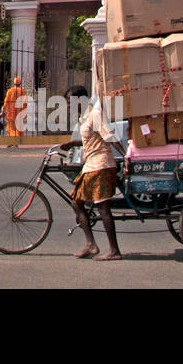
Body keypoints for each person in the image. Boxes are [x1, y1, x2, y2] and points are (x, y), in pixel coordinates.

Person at [66, 97, 123, 260]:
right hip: (91, 165)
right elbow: (90, 140)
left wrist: (126, 156)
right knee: (76, 202)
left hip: (101, 165)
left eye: (70, 102)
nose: (69, 106)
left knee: (103, 207)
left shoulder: (96, 114)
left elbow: (109, 136)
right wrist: (73, 144)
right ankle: (91, 245)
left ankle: (114, 251)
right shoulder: (84, 117)